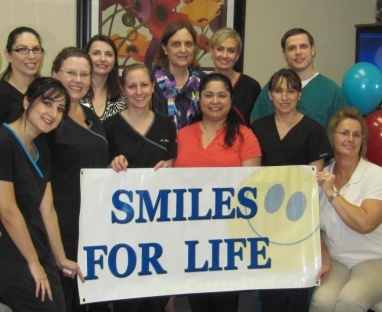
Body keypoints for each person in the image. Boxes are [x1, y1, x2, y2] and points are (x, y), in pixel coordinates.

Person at [174, 72, 262, 312]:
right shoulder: (182, 135)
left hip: (228, 237)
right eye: (209, 95)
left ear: (231, 101)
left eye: (222, 95)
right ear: (199, 99)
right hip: (190, 236)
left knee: (225, 302)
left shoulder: (246, 136)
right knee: (198, 302)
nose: (215, 101)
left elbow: (251, 187)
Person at [251, 68, 333, 312]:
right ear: (270, 96)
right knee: (269, 291)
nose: (284, 96)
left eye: (291, 90)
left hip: (298, 220)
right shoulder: (258, 129)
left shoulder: (314, 131)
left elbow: (310, 182)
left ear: (299, 95)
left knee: (296, 291)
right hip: (264, 220)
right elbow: (251, 175)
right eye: (278, 90)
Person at [0, 77, 84, 312]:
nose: (53, 114)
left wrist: (59, 259)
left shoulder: (41, 148)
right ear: (27, 101)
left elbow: (47, 210)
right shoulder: (4, 142)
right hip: (11, 251)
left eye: (60, 109)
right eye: (47, 103)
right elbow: (7, 211)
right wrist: (33, 263)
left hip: (37, 246)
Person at [105, 63, 176, 311]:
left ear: (153, 87)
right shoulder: (110, 126)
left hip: (157, 221)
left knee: (156, 292)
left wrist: (169, 168)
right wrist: (112, 163)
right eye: (132, 86)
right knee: (127, 295)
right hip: (123, 223)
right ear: (123, 90)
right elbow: (102, 172)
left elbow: (172, 164)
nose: (138, 91)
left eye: (144, 85)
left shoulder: (167, 125)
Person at [49, 47, 109, 312]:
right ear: (54, 74)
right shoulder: (49, 120)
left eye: (84, 74)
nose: (78, 79)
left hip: (92, 222)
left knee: (89, 297)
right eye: (70, 72)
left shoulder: (90, 117)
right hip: (62, 223)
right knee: (64, 297)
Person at [310, 107, 382, 312]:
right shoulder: (322, 175)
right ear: (332, 137)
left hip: (374, 258)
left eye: (356, 134)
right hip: (338, 260)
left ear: (362, 141)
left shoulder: (376, 175)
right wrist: (324, 258)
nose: (350, 139)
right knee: (322, 301)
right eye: (344, 133)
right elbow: (316, 227)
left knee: (349, 301)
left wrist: (332, 193)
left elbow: (365, 224)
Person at [250, 28, 347, 128]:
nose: (298, 52)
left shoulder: (332, 92)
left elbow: (343, 132)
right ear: (284, 55)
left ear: (313, 50)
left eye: (303, 46)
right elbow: (255, 128)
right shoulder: (271, 89)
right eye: (292, 48)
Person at [151, 20, 206, 132]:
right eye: (176, 44)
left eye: (188, 44)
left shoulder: (204, 82)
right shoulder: (150, 81)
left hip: (195, 147)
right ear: (165, 48)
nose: (183, 50)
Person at [209, 27, 261, 126]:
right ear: (211, 51)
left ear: (237, 56)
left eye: (231, 51)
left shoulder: (251, 86)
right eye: (220, 49)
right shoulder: (200, 84)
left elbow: (258, 125)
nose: (224, 55)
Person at [0, 26, 44, 124]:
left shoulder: (46, 90)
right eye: (23, 49)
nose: (31, 56)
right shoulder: (2, 95)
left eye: (36, 49)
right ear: (8, 55)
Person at [80, 34, 127, 121]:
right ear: (86, 57)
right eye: (96, 53)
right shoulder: (76, 91)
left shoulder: (124, 95)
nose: (103, 59)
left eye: (108, 54)